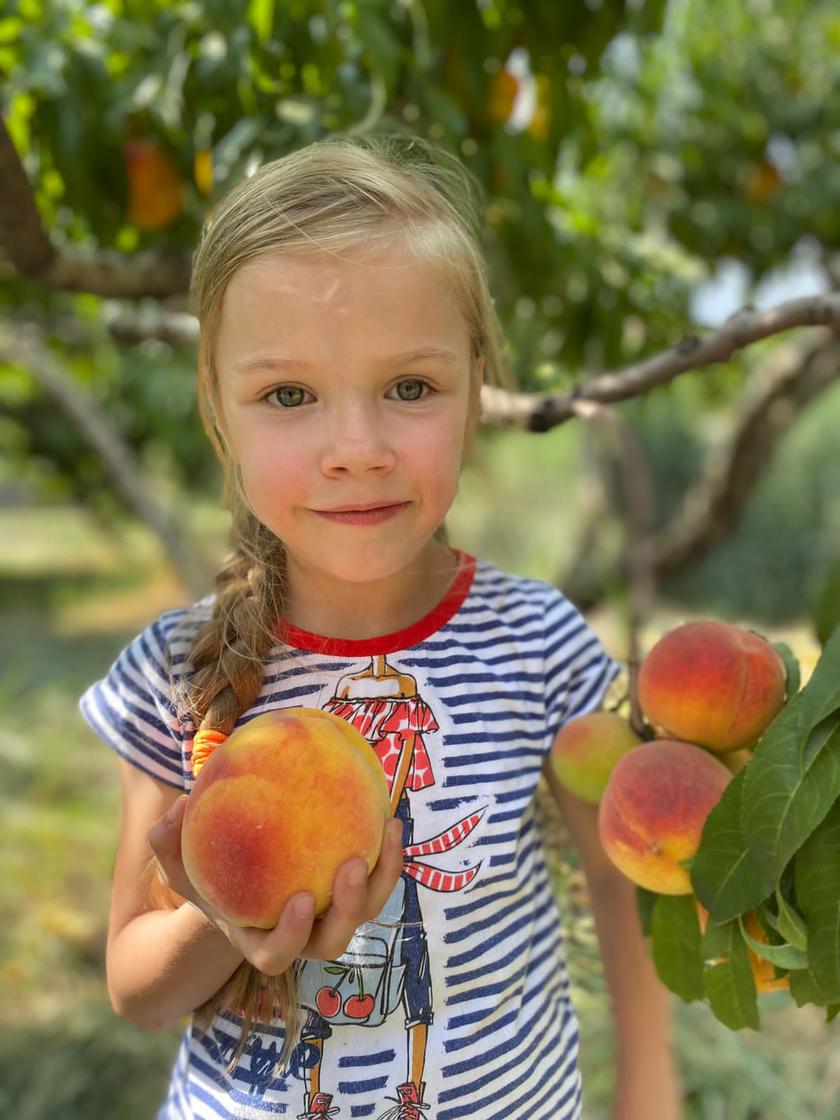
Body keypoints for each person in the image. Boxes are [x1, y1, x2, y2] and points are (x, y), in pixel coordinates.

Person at [79, 133, 682, 1120]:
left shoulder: (536, 646)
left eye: (409, 387)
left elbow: (628, 889)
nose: (355, 449)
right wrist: (231, 922)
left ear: (474, 389)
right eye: (288, 395)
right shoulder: (174, 672)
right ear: (219, 411)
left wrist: (649, 1096)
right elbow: (135, 983)